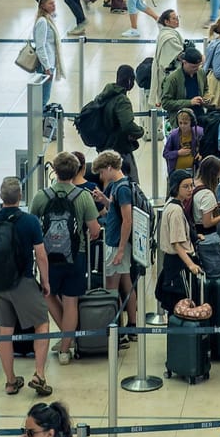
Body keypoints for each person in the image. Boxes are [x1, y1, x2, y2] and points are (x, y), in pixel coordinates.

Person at [0, 177, 54, 396]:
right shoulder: (29, 221)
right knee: (41, 323)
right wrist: (45, 281)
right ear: (20, 196)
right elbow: (41, 255)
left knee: (5, 331)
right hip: (22, 281)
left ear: (1, 197)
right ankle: (39, 374)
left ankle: (11, 381)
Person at [30, 153, 102, 365]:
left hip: (47, 257)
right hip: (75, 256)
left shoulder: (41, 196)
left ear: (54, 170)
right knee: (71, 301)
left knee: (47, 293)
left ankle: (66, 337)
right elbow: (95, 230)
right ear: (78, 170)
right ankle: (64, 348)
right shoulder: (83, 196)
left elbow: (32, 225)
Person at [94, 150, 142, 329]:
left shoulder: (121, 188)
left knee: (112, 287)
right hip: (117, 242)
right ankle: (131, 324)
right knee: (126, 282)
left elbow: (127, 220)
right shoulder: (120, 185)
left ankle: (115, 328)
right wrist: (105, 200)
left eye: (101, 172)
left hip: (116, 243)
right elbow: (115, 210)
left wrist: (121, 249)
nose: (101, 176)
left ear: (109, 167)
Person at [155, 175, 203, 315]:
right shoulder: (176, 211)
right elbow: (176, 244)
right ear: (176, 188)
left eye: (191, 186)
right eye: (185, 186)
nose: (190, 190)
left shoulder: (172, 203)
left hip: (172, 263)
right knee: (184, 308)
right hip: (179, 264)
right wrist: (191, 265)